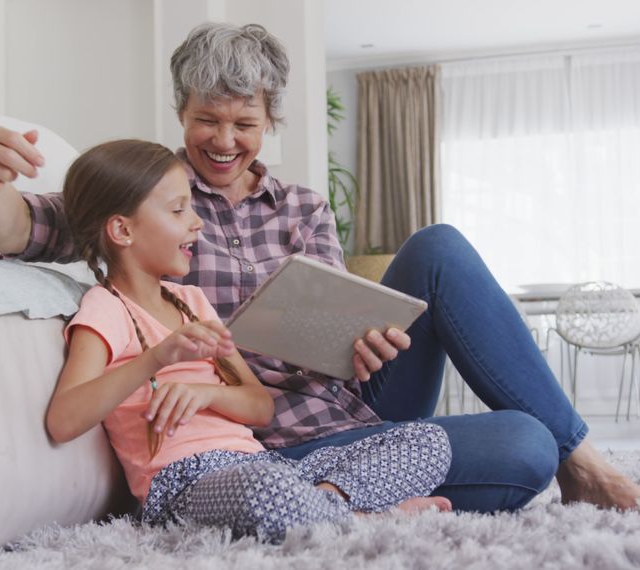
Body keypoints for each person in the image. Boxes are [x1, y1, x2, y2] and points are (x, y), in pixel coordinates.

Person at [0, 22, 640, 513]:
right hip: (254, 445)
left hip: (351, 405)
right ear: (182, 113)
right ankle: (375, 498)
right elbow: (25, 228)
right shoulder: (152, 201)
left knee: (440, 248)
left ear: (270, 121)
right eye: (209, 120)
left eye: (245, 122)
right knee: (519, 445)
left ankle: (583, 460)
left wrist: (369, 340)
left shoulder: (302, 206)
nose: (225, 141)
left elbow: (338, 331)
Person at [47, 138, 453, 541]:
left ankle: (325, 509)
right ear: (122, 229)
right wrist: (155, 359)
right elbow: (64, 420)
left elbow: (259, 407)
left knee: (428, 441)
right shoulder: (107, 307)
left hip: (262, 464)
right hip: (185, 485)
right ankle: (358, 519)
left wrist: (206, 394)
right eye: (177, 210)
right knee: (262, 490)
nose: (196, 222)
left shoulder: (192, 302)